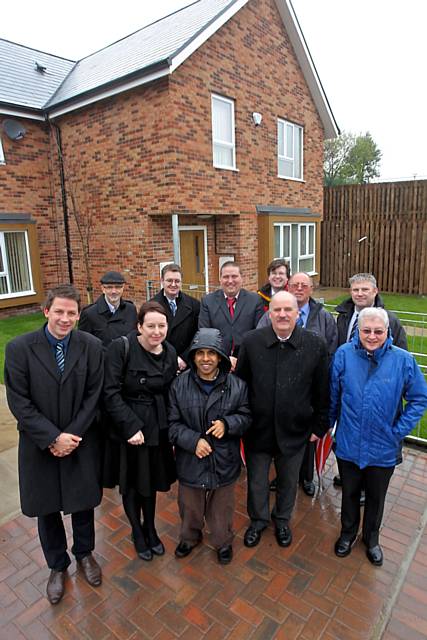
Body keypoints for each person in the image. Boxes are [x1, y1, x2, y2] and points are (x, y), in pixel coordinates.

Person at [4, 285, 104, 605]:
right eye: (59, 311)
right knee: (47, 508)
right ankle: (57, 565)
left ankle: (85, 553)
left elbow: (94, 396)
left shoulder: (91, 346)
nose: (65, 318)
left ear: (78, 315)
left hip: (79, 441)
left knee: (82, 502)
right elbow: (19, 400)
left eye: (71, 313)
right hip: (39, 445)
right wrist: (51, 438)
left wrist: (70, 437)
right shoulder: (19, 348)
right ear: (46, 311)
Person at [330, 307, 427, 566]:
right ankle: (347, 534)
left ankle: (371, 540)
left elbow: (419, 399)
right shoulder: (343, 355)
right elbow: (333, 397)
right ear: (358, 330)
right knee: (350, 493)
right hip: (349, 443)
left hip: (383, 447)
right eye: (366, 330)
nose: (371, 336)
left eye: (378, 331)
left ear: (387, 332)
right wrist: (328, 428)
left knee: (376, 497)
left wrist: (398, 431)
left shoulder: (403, 360)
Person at [236, 291, 329, 549]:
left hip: (295, 430)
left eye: (288, 310)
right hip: (258, 430)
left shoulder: (315, 344)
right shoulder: (252, 342)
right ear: (269, 313)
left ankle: (282, 520)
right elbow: (241, 384)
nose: (283, 315)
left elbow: (323, 390)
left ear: (297, 313)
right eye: (277, 310)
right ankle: (258, 520)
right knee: (257, 482)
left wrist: (318, 426)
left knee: (288, 482)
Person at [168, 329, 251, 564]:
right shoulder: (178, 385)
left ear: (220, 357)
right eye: (200, 353)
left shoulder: (237, 386)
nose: (206, 359)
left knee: (221, 508)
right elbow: (172, 424)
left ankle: (223, 541)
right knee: (190, 505)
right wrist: (192, 441)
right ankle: (189, 537)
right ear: (193, 357)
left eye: (212, 353)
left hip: (223, 458)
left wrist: (228, 423)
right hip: (191, 459)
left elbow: (246, 416)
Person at [103, 301, 177, 561]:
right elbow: (110, 392)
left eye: (161, 325)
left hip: (157, 427)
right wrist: (131, 427)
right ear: (139, 327)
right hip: (129, 429)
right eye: (150, 326)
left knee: (152, 482)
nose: (156, 331)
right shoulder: (120, 348)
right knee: (133, 485)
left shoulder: (169, 352)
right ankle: (137, 531)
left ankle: (151, 528)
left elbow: (170, 391)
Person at [263, 272, 338, 496]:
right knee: (282, 440)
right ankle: (283, 476)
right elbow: (259, 337)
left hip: (309, 387)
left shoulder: (323, 316)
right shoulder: (274, 312)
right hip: (279, 385)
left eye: (304, 285)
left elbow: (332, 347)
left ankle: (306, 478)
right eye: (294, 284)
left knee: (307, 439)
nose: (299, 288)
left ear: (311, 289)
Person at [333, 272, 408, 490]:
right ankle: (349, 477)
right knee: (348, 434)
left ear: (375, 291)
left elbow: (401, 360)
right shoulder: (344, 315)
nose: (360, 293)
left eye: (365, 289)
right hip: (349, 388)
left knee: (372, 437)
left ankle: (367, 486)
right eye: (355, 289)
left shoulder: (389, 320)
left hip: (377, 391)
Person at [199, 261, 264, 370]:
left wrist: (240, 358)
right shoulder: (207, 301)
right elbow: (205, 333)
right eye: (226, 277)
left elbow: (259, 333)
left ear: (241, 278)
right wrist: (224, 358)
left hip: (247, 361)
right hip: (218, 362)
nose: (230, 281)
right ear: (220, 279)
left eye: (234, 276)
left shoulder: (255, 300)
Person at [150, 263, 200, 371]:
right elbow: (150, 335)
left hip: (186, 364)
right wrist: (170, 358)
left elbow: (197, 334)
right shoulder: (151, 306)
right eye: (169, 280)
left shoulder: (194, 305)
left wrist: (185, 358)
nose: (173, 284)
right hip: (161, 362)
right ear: (162, 281)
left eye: (177, 281)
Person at [79, 270, 137, 347]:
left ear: (123, 288)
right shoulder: (89, 314)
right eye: (109, 287)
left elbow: (136, 338)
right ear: (103, 289)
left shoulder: (131, 309)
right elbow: (82, 344)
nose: (114, 291)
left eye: (118, 287)